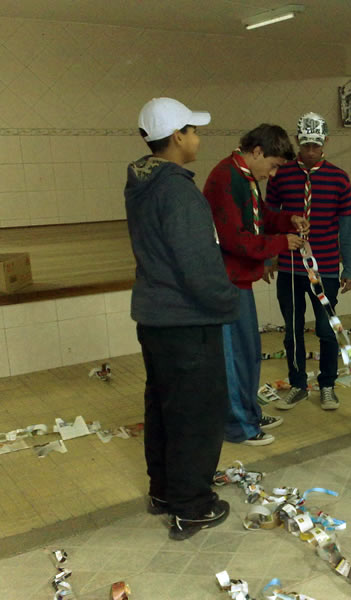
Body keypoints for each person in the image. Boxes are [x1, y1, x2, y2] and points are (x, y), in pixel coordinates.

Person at [126, 97, 239, 540]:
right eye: (194, 130)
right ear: (177, 136)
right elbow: (197, 264)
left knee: (164, 409)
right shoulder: (177, 190)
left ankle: (164, 492)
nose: (197, 138)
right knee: (197, 414)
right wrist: (227, 302)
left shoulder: (142, 183)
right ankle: (192, 507)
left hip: (155, 318)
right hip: (187, 322)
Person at [203, 124, 307, 447]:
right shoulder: (225, 178)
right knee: (233, 359)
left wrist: (288, 219)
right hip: (225, 282)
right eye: (273, 166)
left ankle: (249, 413)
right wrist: (280, 244)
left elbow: (260, 218)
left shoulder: (245, 177)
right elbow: (236, 239)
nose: (272, 175)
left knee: (249, 354)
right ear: (258, 152)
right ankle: (237, 426)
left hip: (241, 281)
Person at [266, 112, 351, 412]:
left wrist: (350, 267)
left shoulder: (339, 178)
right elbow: (268, 219)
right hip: (290, 267)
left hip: (326, 268)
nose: (310, 151)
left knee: (326, 329)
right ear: (297, 141)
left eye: (315, 146)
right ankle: (298, 385)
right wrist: (268, 256)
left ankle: (327, 384)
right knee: (292, 330)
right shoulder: (281, 175)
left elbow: (347, 227)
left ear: (325, 142)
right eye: (305, 145)